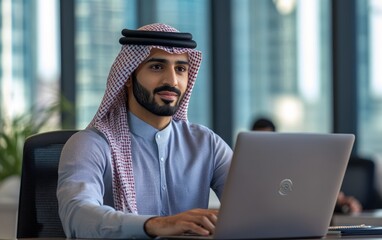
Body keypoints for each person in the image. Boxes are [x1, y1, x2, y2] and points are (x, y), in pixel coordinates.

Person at [57, 23, 232, 239]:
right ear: (128, 77)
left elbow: (250, 205)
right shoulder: (91, 144)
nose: (172, 81)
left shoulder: (207, 144)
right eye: (157, 67)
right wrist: (156, 225)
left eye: (180, 69)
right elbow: (78, 216)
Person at [251, 116, 363, 214]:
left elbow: (308, 189)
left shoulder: (288, 165)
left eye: (266, 141)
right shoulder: (249, 170)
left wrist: (342, 200)